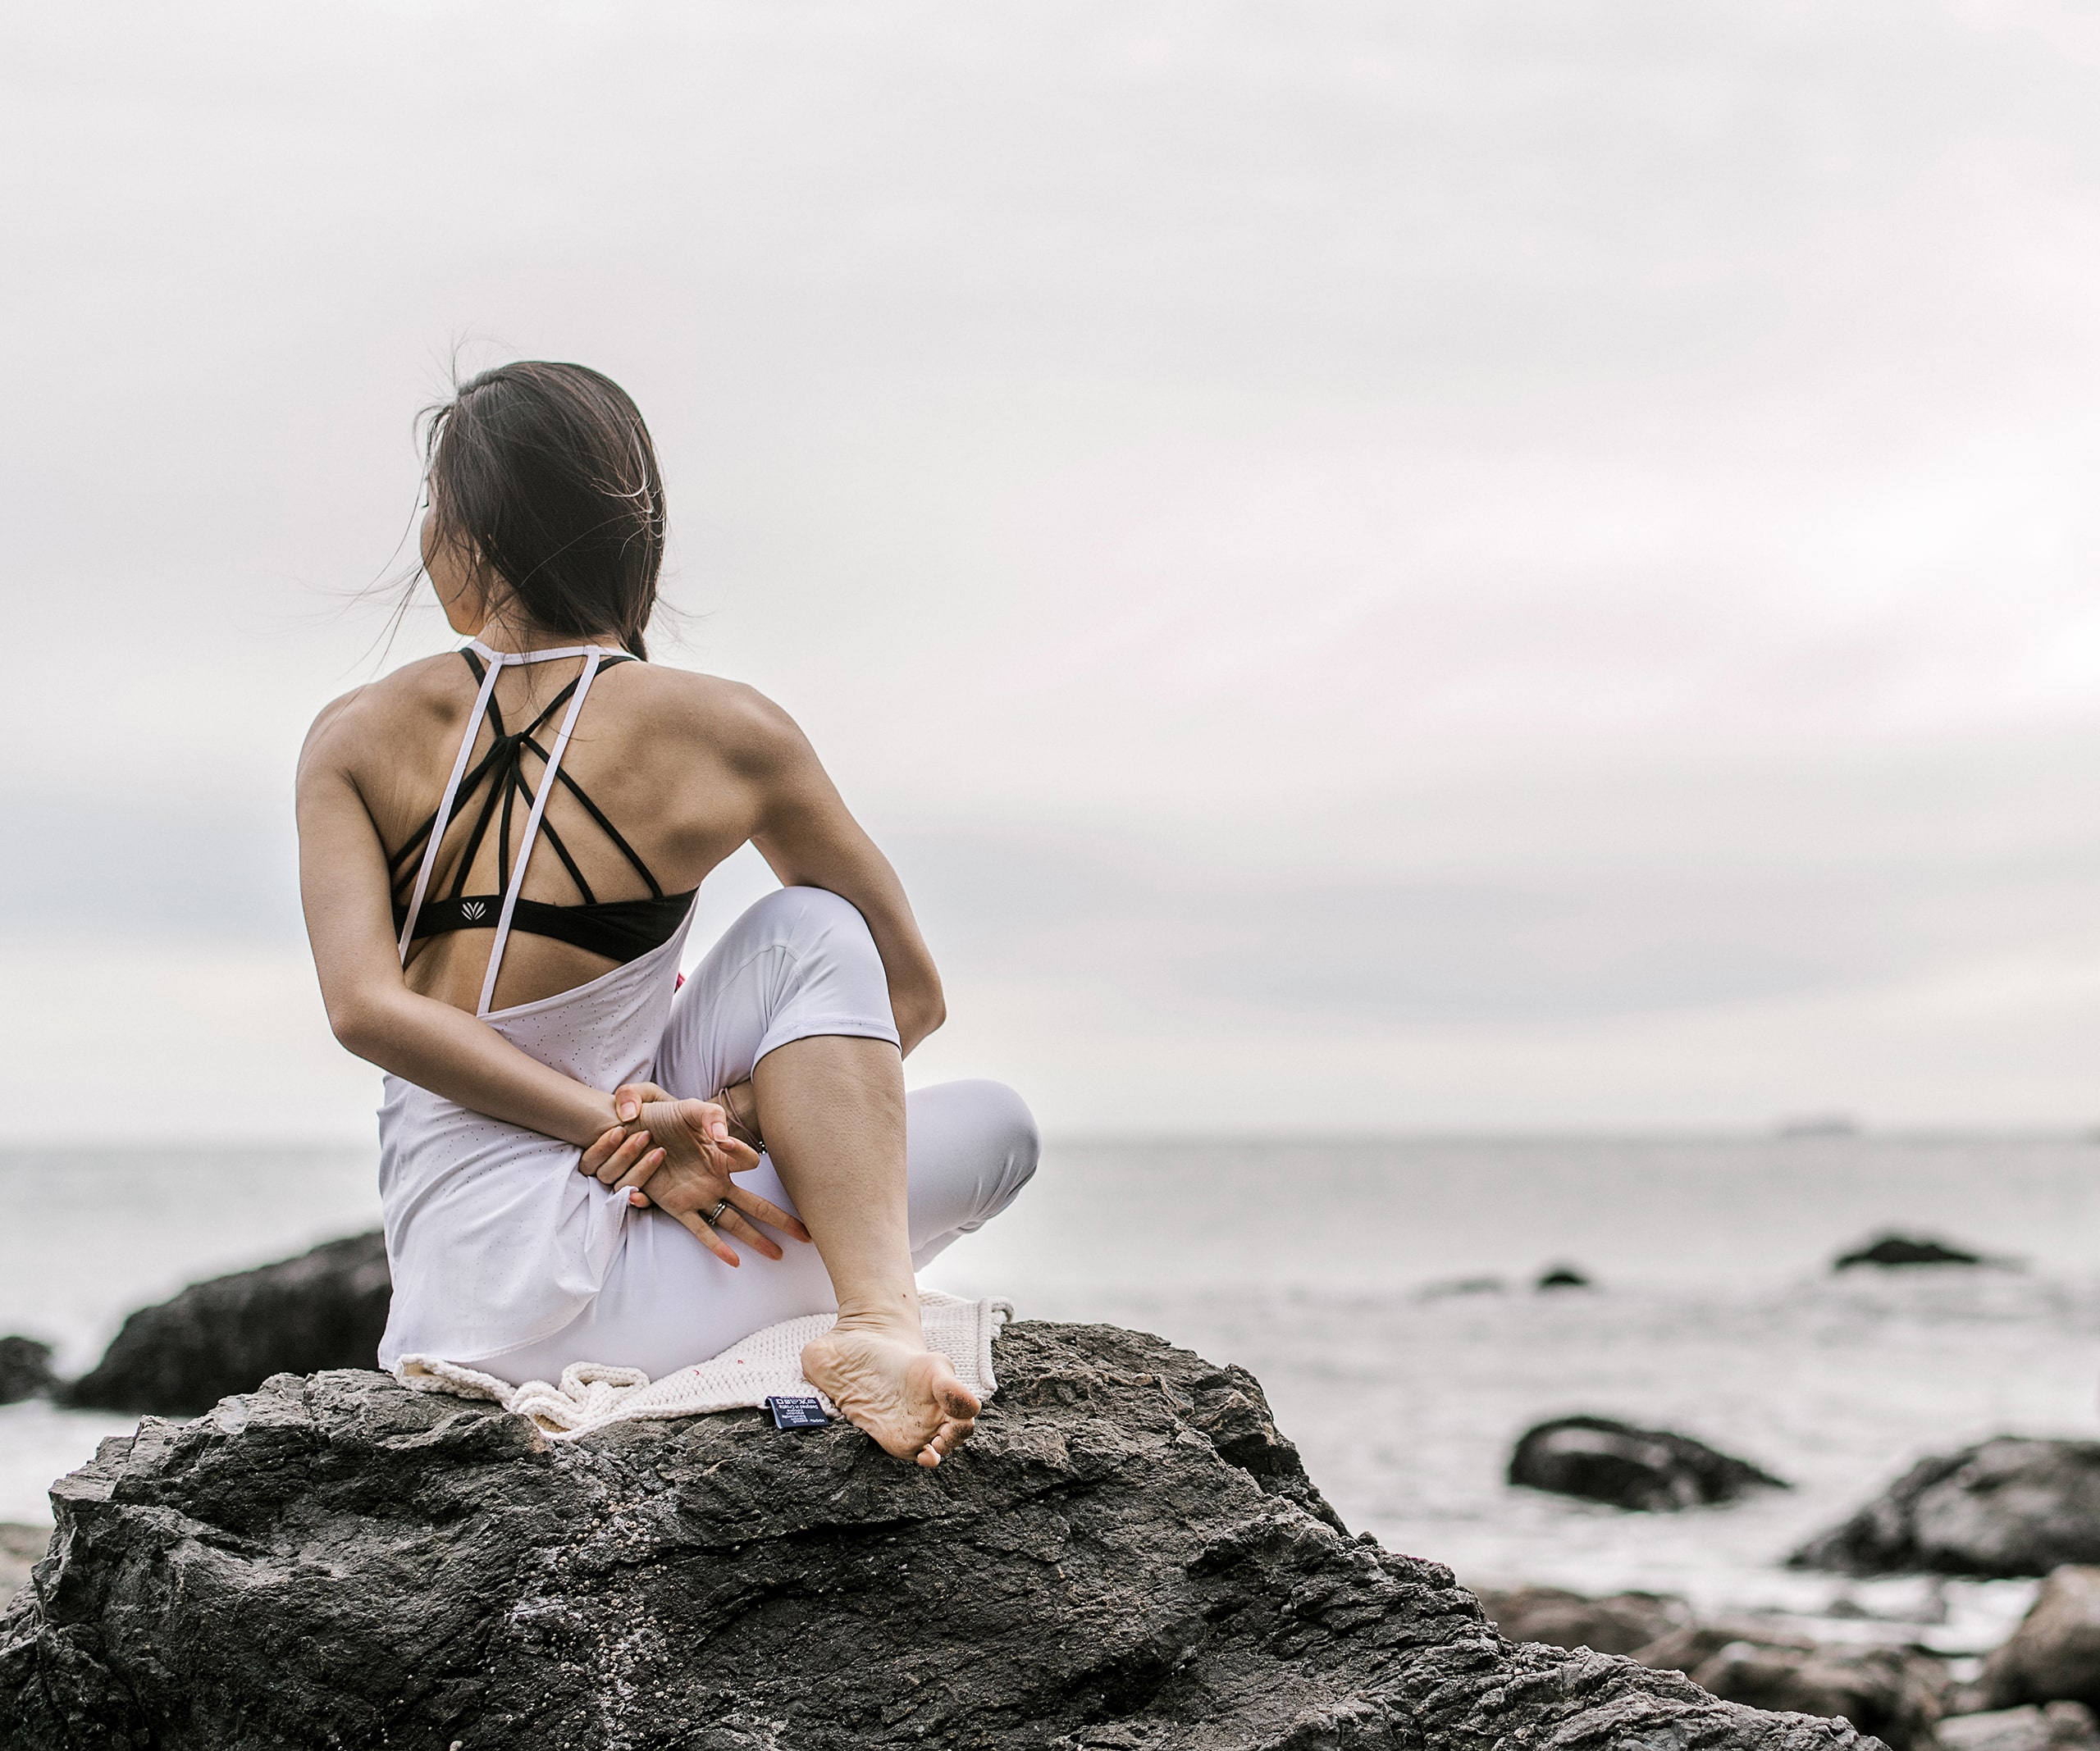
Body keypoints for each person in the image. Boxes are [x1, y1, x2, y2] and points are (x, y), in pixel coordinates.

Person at [295, 361, 1039, 1467]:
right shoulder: (728, 731)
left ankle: (848, 1308)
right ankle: (878, 1323)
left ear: (462, 540)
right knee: (975, 1102)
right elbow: (910, 997)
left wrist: (673, 1124)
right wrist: (647, 1125)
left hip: (455, 1307)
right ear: (633, 541)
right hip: (617, 1298)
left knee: (806, 939)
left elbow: (366, 1009)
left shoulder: (352, 737)